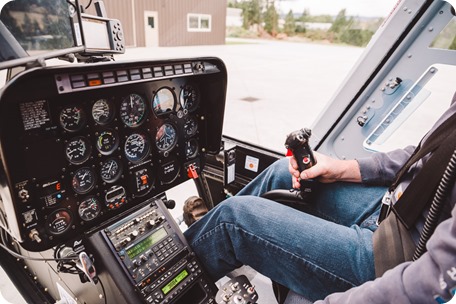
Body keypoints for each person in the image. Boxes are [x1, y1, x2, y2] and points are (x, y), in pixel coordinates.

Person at [183, 94, 456, 303]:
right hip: (394, 207)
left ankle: (170, 278)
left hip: (400, 257)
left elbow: (436, 279)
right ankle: (208, 238)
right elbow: (428, 151)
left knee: (232, 221)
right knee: (282, 171)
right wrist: (345, 169)